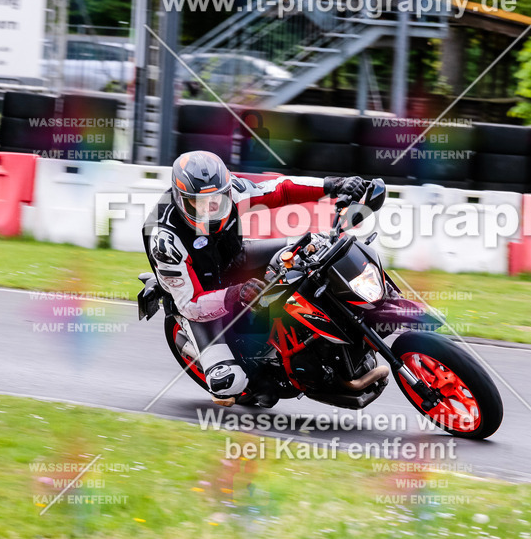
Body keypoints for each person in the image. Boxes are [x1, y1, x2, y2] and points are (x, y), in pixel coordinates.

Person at [143, 150, 366, 405]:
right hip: (197, 298)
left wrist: (334, 185)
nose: (210, 209)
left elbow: (282, 190)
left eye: (217, 200)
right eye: (199, 203)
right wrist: (235, 293)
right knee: (237, 385)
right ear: (180, 198)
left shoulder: (233, 190)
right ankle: (234, 365)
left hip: (233, 259)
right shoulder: (164, 240)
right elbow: (190, 305)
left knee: (310, 248)